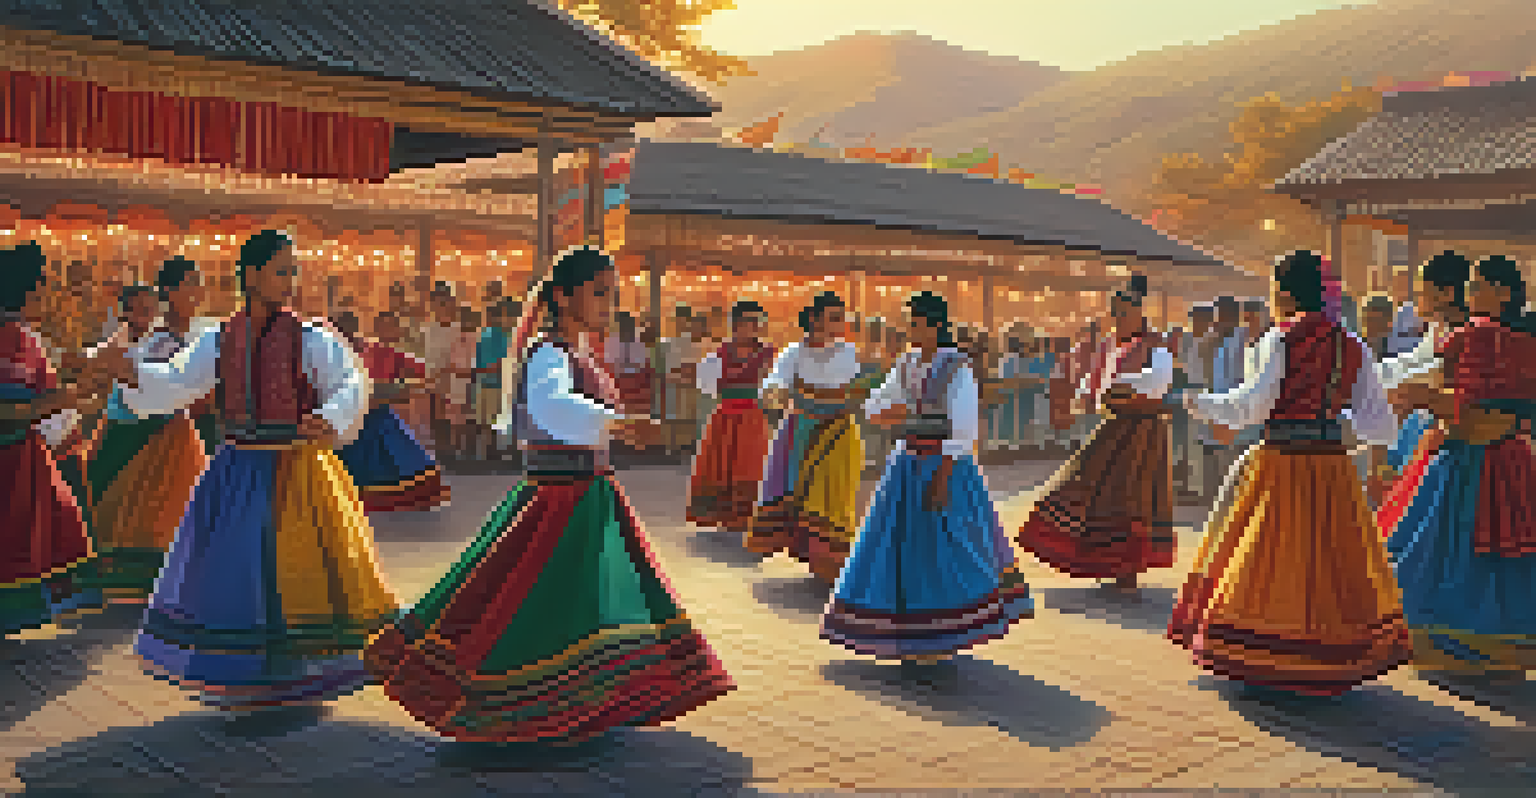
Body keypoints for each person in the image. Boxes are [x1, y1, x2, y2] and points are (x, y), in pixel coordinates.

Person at [365, 247, 734, 743]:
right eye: (600, 292)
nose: (609, 302)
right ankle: (535, 704)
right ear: (564, 296)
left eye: (613, 293)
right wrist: (618, 424)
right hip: (560, 499)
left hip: (585, 493)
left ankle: (576, 701)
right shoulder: (549, 354)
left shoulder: (574, 354)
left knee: (568, 598)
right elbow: (553, 406)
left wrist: (614, 426)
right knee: (533, 597)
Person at [116, 230, 397, 710]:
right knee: (239, 569)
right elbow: (179, 381)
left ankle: (290, 673)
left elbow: (351, 380)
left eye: (292, 271)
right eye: (281, 271)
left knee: (292, 569)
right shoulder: (220, 338)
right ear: (252, 275)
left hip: (297, 471)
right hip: (238, 470)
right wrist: (128, 372)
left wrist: (330, 417)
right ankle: (248, 674)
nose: (290, 281)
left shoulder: (310, 338)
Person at [1170, 250, 1409, 696]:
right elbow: (1381, 423)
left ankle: (1269, 655)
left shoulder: (1278, 340)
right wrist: (1334, 431)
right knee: (1327, 560)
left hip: (1280, 465)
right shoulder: (1350, 344)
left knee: (1267, 555)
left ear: (1282, 291)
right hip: (1332, 471)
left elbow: (1248, 408)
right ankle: (1325, 654)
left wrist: (1192, 400)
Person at [823, 291, 1033, 662]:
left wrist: (943, 475)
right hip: (907, 463)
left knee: (946, 545)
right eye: (909, 322)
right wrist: (892, 412)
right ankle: (915, 632)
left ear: (935, 325)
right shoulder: (906, 364)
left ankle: (945, 633)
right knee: (904, 547)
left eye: (915, 322)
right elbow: (875, 405)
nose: (909, 329)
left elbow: (964, 429)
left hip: (943, 464)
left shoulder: (956, 367)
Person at [1383, 255, 1536, 684]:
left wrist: (1418, 398)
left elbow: (1458, 404)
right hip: (1514, 456)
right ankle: (1504, 646)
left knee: (1443, 548)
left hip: (1468, 459)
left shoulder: (1475, 336)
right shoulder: (1527, 340)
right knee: (1506, 556)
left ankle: (1453, 644)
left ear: (1501, 294)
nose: (1469, 296)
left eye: (1476, 287)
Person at [1018, 276, 1176, 592]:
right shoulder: (1112, 347)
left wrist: (1123, 386)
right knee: (1093, 491)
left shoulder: (1156, 344)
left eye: (1124, 312)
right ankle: (1109, 563)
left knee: (1135, 500)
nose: (1119, 319)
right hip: (1116, 425)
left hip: (1144, 429)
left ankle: (1127, 570)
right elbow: (1091, 383)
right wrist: (1091, 396)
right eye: (1115, 313)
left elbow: (1159, 379)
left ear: (1138, 311)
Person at [83, 260, 217, 604]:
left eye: (198, 283)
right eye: (190, 283)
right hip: (142, 429)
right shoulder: (154, 340)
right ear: (170, 293)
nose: (197, 291)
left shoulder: (201, 336)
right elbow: (115, 372)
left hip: (180, 430)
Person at [1, 243, 116, 634]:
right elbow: (29, 403)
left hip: (25, 454)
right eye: (42, 287)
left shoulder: (26, 338)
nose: (50, 296)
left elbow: (48, 396)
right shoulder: (17, 338)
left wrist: (72, 396)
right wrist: (66, 397)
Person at [750, 292, 866, 583]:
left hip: (840, 430)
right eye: (833, 318)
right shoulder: (794, 352)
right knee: (805, 494)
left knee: (834, 496)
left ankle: (832, 562)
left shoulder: (849, 352)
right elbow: (776, 380)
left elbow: (859, 384)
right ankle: (817, 558)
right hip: (803, 430)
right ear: (814, 320)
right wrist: (774, 391)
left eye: (841, 318)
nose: (839, 324)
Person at [1376, 252, 1472, 535]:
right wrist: (1373, 373)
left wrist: (1391, 384)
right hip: (1426, 419)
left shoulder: (1468, 331)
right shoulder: (1439, 327)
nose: (1416, 301)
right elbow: (1416, 360)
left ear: (1447, 293)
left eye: (1422, 292)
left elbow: (1435, 370)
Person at [334, 311, 450, 512]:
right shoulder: (333, 353)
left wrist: (402, 385)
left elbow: (420, 371)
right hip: (350, 417)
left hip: (376, 414)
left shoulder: (379, 351)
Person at [688, 301, 777, 532]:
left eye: (758, 322)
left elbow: (775, 389)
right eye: (750, 321)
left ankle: (746, 516)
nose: (755, 326)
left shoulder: (769, 354)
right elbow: (706, 386)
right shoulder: (719, 355)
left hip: (753, 418)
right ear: (736, 325)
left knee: (751, 465)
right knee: (722, 465)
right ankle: (722, 514)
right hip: (725, 416)